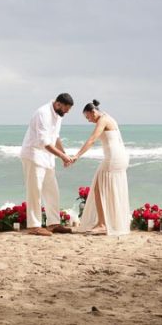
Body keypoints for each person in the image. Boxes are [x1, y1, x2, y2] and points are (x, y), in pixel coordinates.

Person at [68, 99, 131, 236]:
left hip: (113, 158)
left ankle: (102, 224)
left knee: (98, 188)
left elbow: (92, 139)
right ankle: (107, 222)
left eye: (88, 117)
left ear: (93, 112)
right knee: (106, 189)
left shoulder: (103, 119)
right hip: (118, 157)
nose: (88, 120)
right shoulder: (108, 117)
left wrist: (77, 155)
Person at [20, 93, 75, 236]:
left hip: (47, 158)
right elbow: (44, 142)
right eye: (65, 109)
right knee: (35, 191)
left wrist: (65, 155)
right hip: (33, 155)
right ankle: (34, 226)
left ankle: (53, 224)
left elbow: (55, 137)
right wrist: (62, 156)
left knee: (52, 191)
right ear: (58, 104)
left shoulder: (58, 115)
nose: (66, 112)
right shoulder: (42, 113)